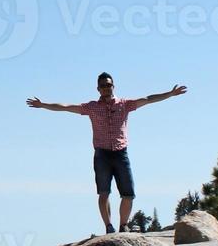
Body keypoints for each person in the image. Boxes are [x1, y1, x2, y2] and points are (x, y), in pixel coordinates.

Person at [26, 73, 187, 234]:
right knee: (104, 193)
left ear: (113, 86)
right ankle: (108, 226)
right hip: (102, 154)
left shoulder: (125, 104)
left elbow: (148, 98)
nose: (106, 88)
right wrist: (43, 105)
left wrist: (170, 94)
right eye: (103, 86)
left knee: (128, 194)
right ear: (98, 89)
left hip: (121, 154)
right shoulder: (91, 107)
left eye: (108, 85)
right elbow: (66, 107)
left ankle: (123, 225)